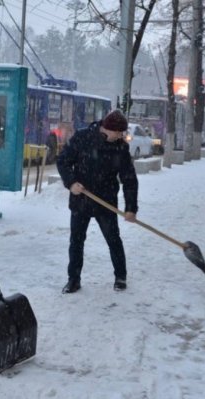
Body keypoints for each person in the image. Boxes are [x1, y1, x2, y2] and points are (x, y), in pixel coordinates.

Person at [56, 109, 139, 294]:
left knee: (113, 240)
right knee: (76, 242)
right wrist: (71, 183)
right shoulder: (82, 138)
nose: (121, 136)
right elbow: (62, 161)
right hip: (81, 200)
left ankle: (120, 276)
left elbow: (129, 179)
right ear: (107, 128)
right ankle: (73, 280)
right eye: (118, 132)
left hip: (106, 201)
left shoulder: (120, 147)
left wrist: (131, 208)